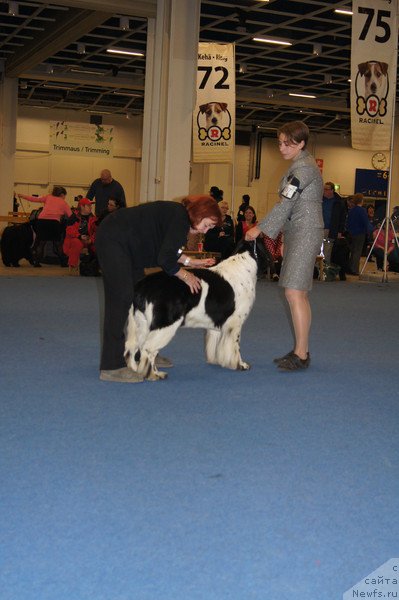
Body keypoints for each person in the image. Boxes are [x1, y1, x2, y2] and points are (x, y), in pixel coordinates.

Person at [95, 195, 222, 383]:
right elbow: (166, 260)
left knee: (141, 300)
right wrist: (186, 275)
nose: (207, 230)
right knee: (121, 298)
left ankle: (142, 354)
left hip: (130, 248)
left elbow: (170, 251)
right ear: (200, 213)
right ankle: (111, 366)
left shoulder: (179, 218)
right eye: (208, 224)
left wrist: (192, 262)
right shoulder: (180, 219)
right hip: (114, 239)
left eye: (211, 228)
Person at [245, 120, 324, 371]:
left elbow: (286, 204)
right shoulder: (299, 166)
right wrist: (283, 238)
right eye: (279, 142)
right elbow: (289, 207)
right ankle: (302, 350)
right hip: (297, 231)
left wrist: (260, 228)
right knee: (298, 293)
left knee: (293, 292)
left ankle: (301, 355)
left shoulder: (304, 170)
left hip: (305, 231)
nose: (281, 147)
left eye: (286, 143)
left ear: (301, 143)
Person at [18, 186, 72, 267]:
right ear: (61, 194)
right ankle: (63, 263)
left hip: (42, 222)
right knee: (57, 244)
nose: (64, 197)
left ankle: (37, 263)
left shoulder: (48, 197)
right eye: (65, 195)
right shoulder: (63, 202)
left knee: (41, 243)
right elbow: (71, 215)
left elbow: (34, 199)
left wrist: (22, 196)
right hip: (54, 223)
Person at [63, 198, 97, 274]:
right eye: (88, 205)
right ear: (82, 207)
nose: (91, 207)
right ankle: (73, 265)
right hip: (75, 239)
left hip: (88, 241)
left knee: (100, 244)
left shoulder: (93, 218)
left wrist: (91, 240)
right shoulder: (73, 217)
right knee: (76, 242)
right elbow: (69, 230)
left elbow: (96, 232)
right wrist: (79, 236)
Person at [346, 193, 372, 275]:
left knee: (353, 252)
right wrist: (372, 230)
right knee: (357, 252)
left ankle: (350, 268)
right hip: (360, 233)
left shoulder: (351, 210)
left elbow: (348, 223)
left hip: (351, 233)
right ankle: (354, 270)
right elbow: (366, 222)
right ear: (361, 201)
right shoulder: (362, 210)